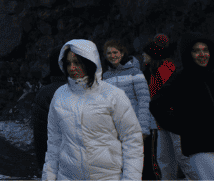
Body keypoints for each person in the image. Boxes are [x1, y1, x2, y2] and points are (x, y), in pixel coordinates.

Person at [43, 39, 143, 181]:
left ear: (90, 62)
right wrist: (48, 178)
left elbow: (132, 140)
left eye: (77, 63)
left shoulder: (113, 95)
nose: (72, 68)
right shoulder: (59, 96)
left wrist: (130, 178)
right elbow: (54, 144)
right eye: (68, 63)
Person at [150, 34, 214, 180]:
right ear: (188, 54)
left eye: (205, 50)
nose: (202, 54)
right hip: (202, 149)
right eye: (196, 51)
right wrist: (186, 128)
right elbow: (157, 106)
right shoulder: (180, 79)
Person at [100, 39, 154, 177]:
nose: (112, 56)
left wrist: (144, 127)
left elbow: (144, 100)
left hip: (134, 126)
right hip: (115, 129)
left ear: (122, 53)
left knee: (141, 165)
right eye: (109, 53)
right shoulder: (105, 77)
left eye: (115, 52)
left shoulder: (135, 73)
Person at [145, 33, 189, 181]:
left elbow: (168, 94)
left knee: (181, 154)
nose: (144, 56)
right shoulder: (153, 71)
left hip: (171, 116)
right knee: (163, 156)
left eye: (146, 53)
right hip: (161, 118)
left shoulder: (166, 67)